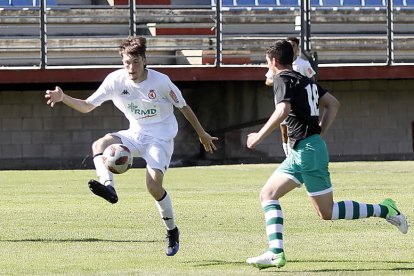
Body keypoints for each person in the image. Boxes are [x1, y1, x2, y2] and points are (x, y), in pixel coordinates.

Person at [45, 36, 218, 257]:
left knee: (154, 188)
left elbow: (184, 107)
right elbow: (88, 106)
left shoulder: (161, 81)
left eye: (135, 62)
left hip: (160, 139)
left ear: (145, 60)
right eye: (126, 62)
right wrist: (63, 97)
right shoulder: (115, 80)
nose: (130, 67)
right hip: (135, 134)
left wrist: (202, 134)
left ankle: (172, 231)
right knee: (100, 144)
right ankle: (108, 186)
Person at [246, 40, 408, 269]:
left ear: (273, 61)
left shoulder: (282, 78)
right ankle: (275, 252)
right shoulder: (305, 80)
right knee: (268, 195)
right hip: (301, 151)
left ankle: (386, 209)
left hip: (307, 151)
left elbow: (283, 110)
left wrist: (259, 136)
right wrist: (319, 133)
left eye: (267, 62)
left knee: (327, 212)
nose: (267, 66)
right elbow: (333, 104)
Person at [265, 37, 317, 157]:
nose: (291, 47)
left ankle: (296, 155)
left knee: (296, 127)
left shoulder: (303, 64)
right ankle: (288, 156)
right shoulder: (278, 64)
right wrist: (279, 81)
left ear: (297, 48)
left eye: (294, 45)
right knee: (284, 130)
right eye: (289, 45)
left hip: (298, 102)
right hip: (282, 99)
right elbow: (268, 80)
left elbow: (312, 79)